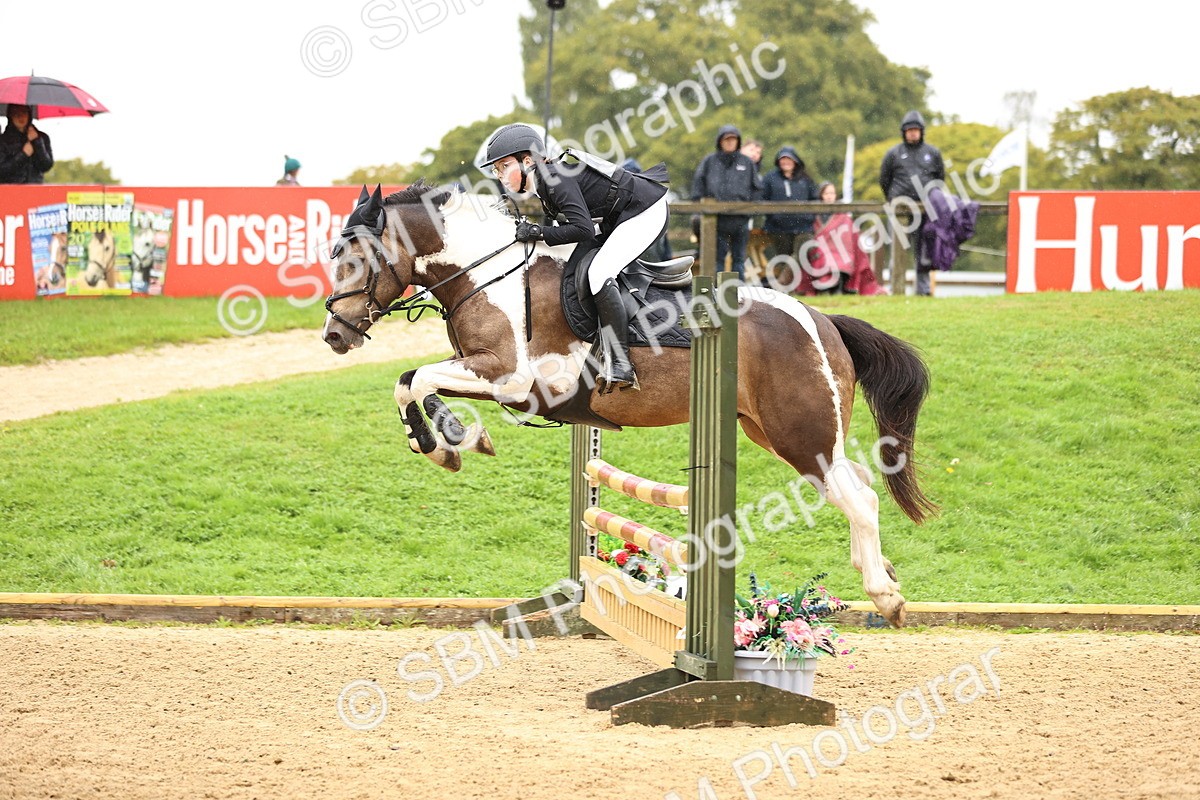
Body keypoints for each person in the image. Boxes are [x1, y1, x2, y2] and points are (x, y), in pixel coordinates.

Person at [481, 123, 670, 392]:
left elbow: (581, 229)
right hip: (620, 215)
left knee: (598, 273)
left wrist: (537, 231)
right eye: (496, 169)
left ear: (527, 161)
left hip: (645, 211)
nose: (499, 174)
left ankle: (621, 363)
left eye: (503, 166)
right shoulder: (545, 182)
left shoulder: (552, 177)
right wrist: (540, 233)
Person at [879, 110, 944, 295]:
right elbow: (884, 179)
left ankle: (923, 290)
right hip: (900, 209)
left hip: (926, 210)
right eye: (909, 130)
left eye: (916, 130)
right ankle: (895, 287)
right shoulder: (893, 153)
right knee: (897, 248)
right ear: (904, 132)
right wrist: (894, 199)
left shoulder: (932, 153)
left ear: (921, 131)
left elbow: (940, 179)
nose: (913, 133)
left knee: (923, 251)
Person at [691, 124, 760, 280]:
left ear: (738, 141)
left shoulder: (747, 163)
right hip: (715, 220)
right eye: (726, 139)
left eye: (733, 139)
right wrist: (700, 210)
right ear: (720, 141)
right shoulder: (709, 162)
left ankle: (739, 294)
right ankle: (717, 292)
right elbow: (698, 187)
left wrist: (749, 211)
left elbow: (757, 189)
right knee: (717, 259)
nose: (730, 142)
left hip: (740, 219)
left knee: (739, 259)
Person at [799, 182, 886, 296]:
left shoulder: (843, 216)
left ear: (836, 195)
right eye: (826, 193)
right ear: (821, 195)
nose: (829, 196)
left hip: (841, 254)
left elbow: (851, 238)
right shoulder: (814, 215)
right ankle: (825, 288)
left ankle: (839, 288)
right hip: (820, 252)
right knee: (825, 259)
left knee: (839, 261)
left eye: (832, 193)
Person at [760, 145, 820, 286]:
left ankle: (780, 285)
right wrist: (773, 216)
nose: (785, 162)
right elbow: (762, 200)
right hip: (779, 228)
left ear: (795, 161)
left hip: (803, 226)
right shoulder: (770, 178)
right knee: (784, 258)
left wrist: (809, 217)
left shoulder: (805, 179)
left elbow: (815, 199)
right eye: (783, 159)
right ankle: (788, 292)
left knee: (804, 250)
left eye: (789, 159)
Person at [0, 104, 54, 184]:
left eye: (24, 112)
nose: (21, 116)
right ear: (10, 115)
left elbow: (46, 166)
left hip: (35, 189)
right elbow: (2, 170)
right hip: (10, 190)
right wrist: (23, 154)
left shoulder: (42, 137)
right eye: (16, 113)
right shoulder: (3, 140)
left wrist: (37, 142)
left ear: (29, 114)